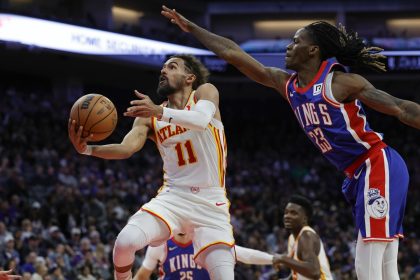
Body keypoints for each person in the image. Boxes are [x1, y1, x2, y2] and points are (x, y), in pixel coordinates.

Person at [161, 6, 420, 279]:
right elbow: (233, 54)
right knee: (387, 265)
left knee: (367, 266)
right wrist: (193, 28)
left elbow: (400, 108)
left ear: (313, 51)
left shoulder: (341, 83)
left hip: (376, 163)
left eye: (297, 41)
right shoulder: (288, 85)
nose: (288, 46)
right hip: (357, 173)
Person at [69, 54, 236, 280]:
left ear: (190, 77)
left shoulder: (204, 93)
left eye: (172, 67)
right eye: (163, 68)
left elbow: (200, 120)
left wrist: (158, 111)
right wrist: (88, 149)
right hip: (174, 197)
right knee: (125, 243)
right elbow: (126, 148)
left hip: (210, 202)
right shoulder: (149, 118)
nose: (163, 71)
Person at [134, 232, 274, 280]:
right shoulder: (160, 244)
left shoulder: (207, 242)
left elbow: (243, 254)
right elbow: (142, 275)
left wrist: (273, 259)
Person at [272, 195, 332, 279]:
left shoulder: (307, 236)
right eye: (286, 212)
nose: (287, 216)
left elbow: (314, 272)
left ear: (305, 219)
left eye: (293, 213)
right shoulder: (292, 238)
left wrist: (283, 259)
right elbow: (297, 271)